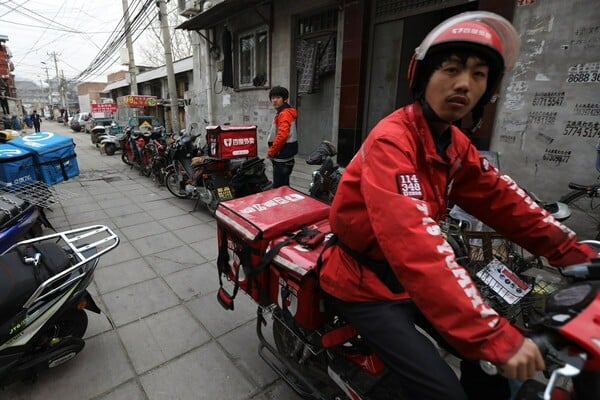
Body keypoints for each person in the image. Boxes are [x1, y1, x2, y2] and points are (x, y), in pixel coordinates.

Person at [318, 11, 598, 400]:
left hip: (411, 282)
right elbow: (415, 244)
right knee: (444, 390)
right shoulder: (392, 141)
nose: (464, 84)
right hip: (363, 284)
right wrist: (493, 337)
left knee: (495, 366)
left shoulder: (454, 144)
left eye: (479, 75)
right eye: (450, 69)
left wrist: (572, 253)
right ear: (424, 78)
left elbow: (504, 200)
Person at [266, 86, 298, 188]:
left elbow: (282, 135)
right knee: (284, 188)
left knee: (278, 190)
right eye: (272, 98)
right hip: (286, 157)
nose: (274, 100)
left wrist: (272, 151)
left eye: (278, 97)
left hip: (282, 158)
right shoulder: (285, 112)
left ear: (285, 99)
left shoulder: (284, 114)